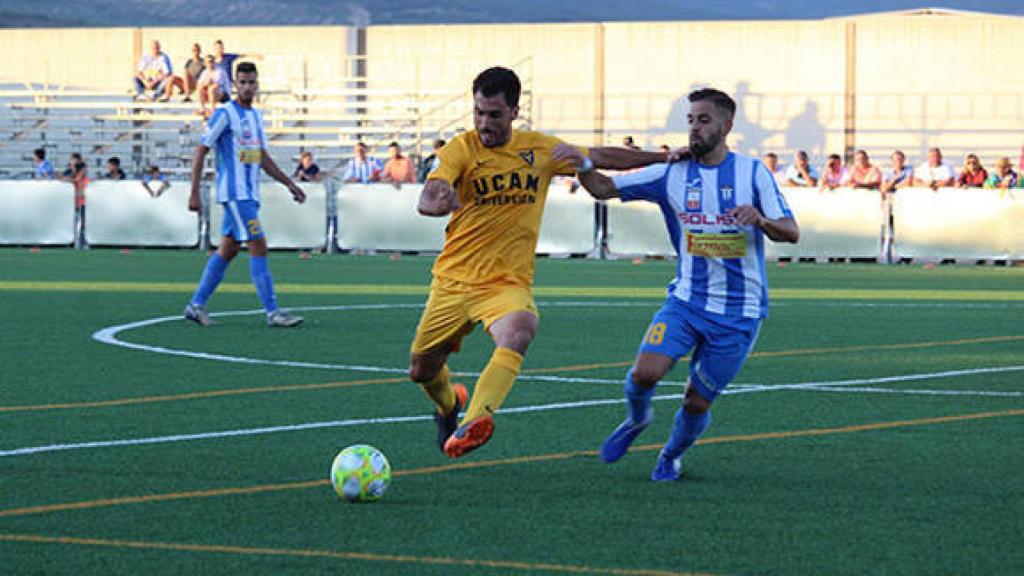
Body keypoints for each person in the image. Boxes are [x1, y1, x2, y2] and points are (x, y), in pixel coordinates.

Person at [410, 66, 670, 459]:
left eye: (494, 114)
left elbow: (601, 156)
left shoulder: (539, 149)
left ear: (515, 111)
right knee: (422, 370)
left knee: (520, 330)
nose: (484, 123)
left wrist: (664, 156)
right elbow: (432, 191)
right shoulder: (461, 148)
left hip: (505, 283)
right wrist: (435, 201)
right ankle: (450, 405)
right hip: (453, 282)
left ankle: (475, 420)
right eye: (478, 112)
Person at [557, 87, 799, 482]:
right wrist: (582, 163)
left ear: (726, 125)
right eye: (690, 120)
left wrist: (760, 219)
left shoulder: (753, 172)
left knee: (695, 402)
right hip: (686, 301)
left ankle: (670, 455)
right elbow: (603, 188)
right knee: (643, 374)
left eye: (704, 120)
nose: (695, 128)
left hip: (739, 313)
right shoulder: (672, 171)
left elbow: (791, 232)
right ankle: (637, 419)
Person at [184, 62, 307, 328]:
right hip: (234, 194)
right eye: (243, 82)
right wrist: (194, 192)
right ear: (234, 85)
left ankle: (196, 305)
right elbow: (201, 149)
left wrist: (290, 184)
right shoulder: (225, 114)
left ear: (257, 84)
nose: (248, 86)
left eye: (252, 82)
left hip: (249, 195)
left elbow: (261, 157)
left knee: (227, 250)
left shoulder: (255, 117)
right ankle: (273, 312)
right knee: (258, 244)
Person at [879, 150, 913, 264]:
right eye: (895, 160)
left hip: (905, 205)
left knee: (906, 230)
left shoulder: (909, 170)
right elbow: (884, 188)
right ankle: (888, 256)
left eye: (900, 159)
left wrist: (893, 186)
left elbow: (908, 183)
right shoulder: (888, 173)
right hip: (890, 205)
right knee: (890, 230)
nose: (898, 162)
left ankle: (906, 256)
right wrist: (894, 179)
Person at [197, 55, 231, 119]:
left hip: (224, 95)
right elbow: (200, 84)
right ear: (205, 63)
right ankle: (202, 108)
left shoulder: (220, 71)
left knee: (211, 89)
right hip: (212, 94)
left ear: (214, 62)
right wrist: (205, 84)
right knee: (200, 89)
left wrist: (206, 83)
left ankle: (212, 110)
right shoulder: (204, 72)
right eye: (208, 62)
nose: (209, 63)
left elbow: (216, 85)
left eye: (211, 61)